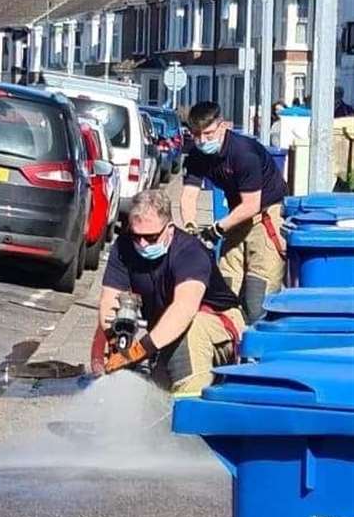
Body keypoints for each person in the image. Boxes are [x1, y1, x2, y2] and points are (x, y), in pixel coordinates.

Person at [97, 187, 244, 396]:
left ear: (170, 229)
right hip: (167, 330)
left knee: (190, 337)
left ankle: (191, 413)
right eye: (136, 236)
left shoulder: (190, 252)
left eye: (150, 238)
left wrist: (139, 350)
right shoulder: (124, 247)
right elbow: (110, 299)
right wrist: (115, 341)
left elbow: (183, 310)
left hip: (218, 322)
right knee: (156, 393)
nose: (142, 243)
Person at [179, 101, 287, 323]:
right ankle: (229, 340)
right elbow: (189, 195)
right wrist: (190, 227)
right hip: (236, 216)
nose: (202, 141)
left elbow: (251, 205)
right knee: (226, 287)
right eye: (197, 135)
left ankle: (258, 349)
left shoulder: (243, 153)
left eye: (208, 134)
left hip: (265, 214)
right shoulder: (197, 155)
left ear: (222, 126)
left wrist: (216, 229)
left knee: (258, 298)